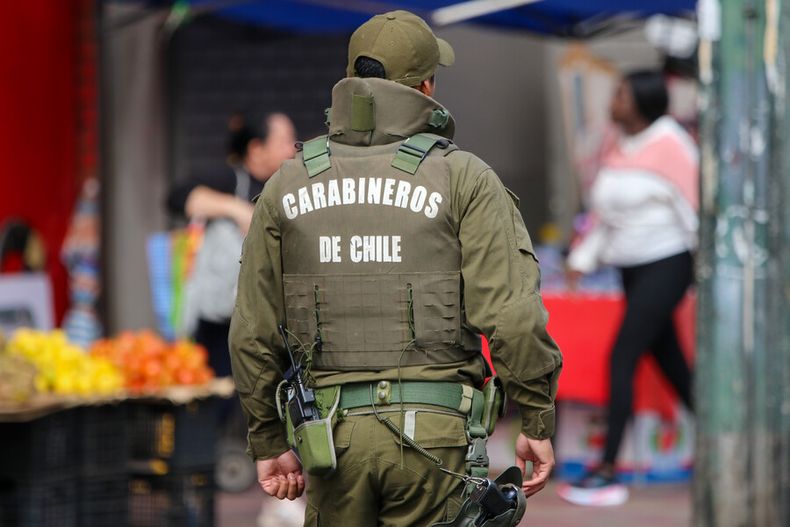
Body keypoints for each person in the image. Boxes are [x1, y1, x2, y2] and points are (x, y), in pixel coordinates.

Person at [230, 10, 562, 526]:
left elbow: (252, 331)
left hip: (330, 440)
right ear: (426, 87)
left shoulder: (287, 185)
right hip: (436, 441)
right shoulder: (462, 177)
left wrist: (268, 440)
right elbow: (512, 316)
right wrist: (536, 418)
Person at [559, 70, 698, 506]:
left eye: (621, 95)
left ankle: (606, 468)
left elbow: (696, 212)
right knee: (672, 364)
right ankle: (725, 445)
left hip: (669, 264)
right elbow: (605, 217)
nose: (612, 102)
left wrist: (706, 274)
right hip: (630, 270)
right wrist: (581, 260)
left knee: (623, 355)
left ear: (643, 101)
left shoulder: (674, 145)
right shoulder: (617, 145)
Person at [167, 112, 296, 377]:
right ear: (256, 149)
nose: (292, 148)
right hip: (222, 325)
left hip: (273, 324)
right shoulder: (232, 180)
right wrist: (236, 209)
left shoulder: (291, 187)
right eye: (284, 141)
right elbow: (178, 197)